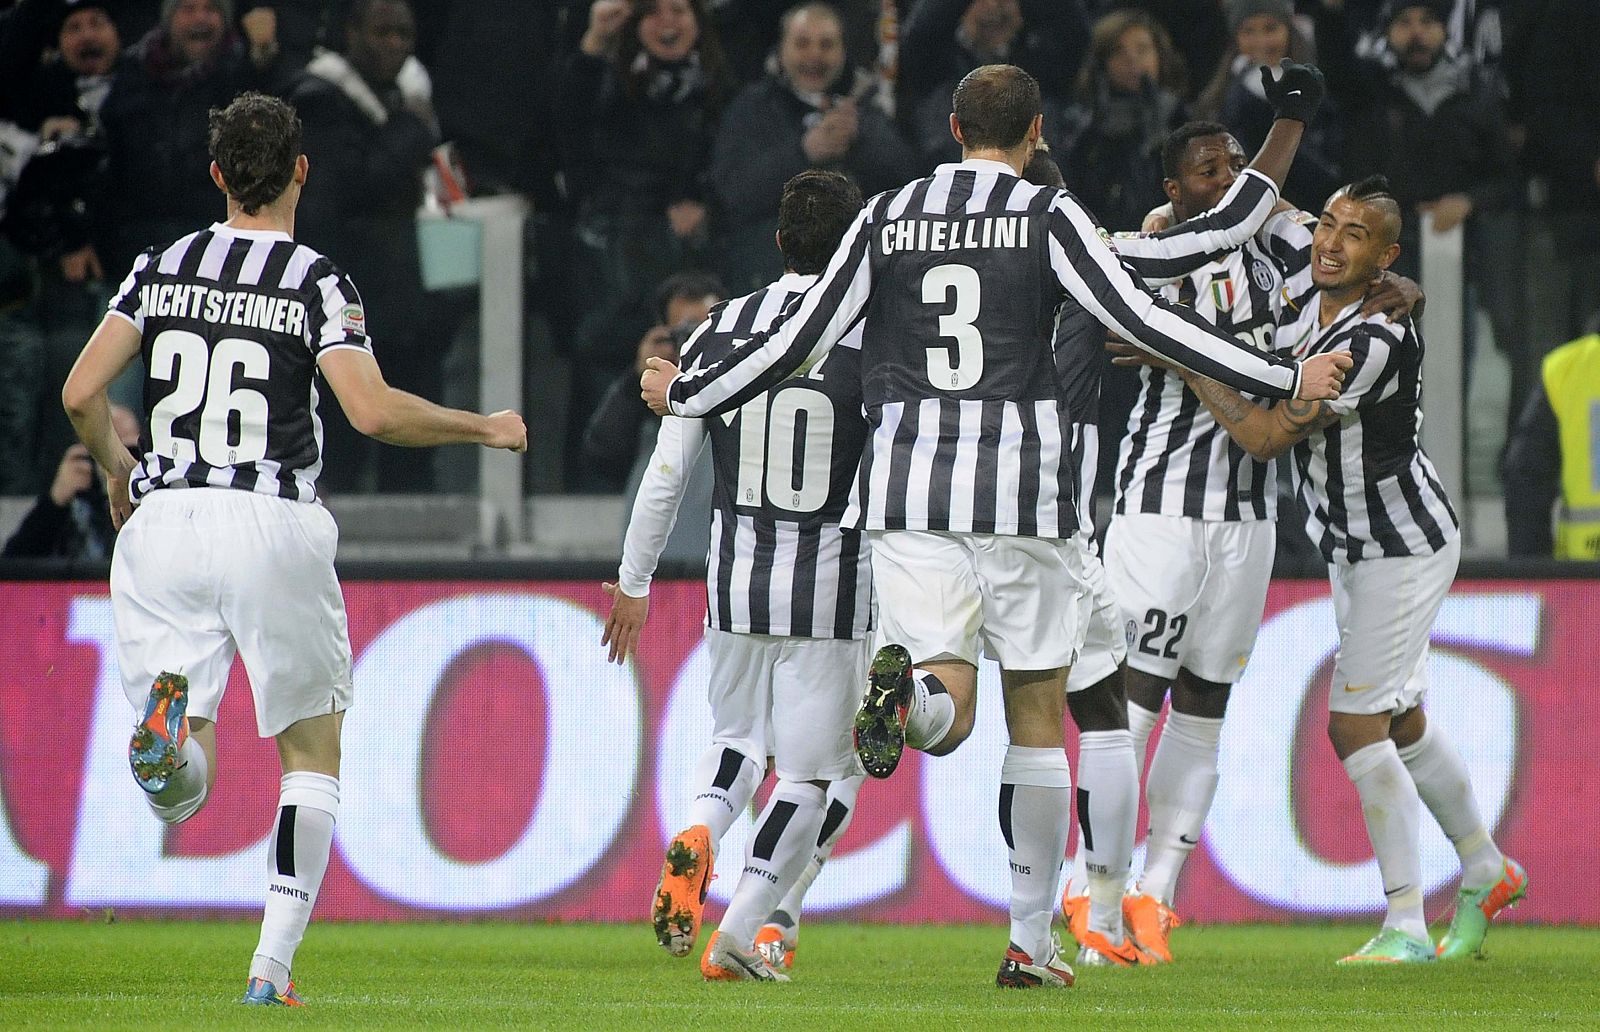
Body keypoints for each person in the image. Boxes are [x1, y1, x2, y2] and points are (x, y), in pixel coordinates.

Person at [642, 62, 1352, 987]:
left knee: (949, 690)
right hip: (1020, 498)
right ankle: (1029, 943)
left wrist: (689, 390)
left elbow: (800, 335)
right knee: (1035, 716)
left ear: (949, 125)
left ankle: (915, 701)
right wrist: (1281, 377)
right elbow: (1144, 310)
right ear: (1038, 130)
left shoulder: (888, 214)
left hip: (903, 499)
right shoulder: (1047, 217)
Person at [59, 92, 525, 1005]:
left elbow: (81, 390)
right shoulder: (316, 280)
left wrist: (120, 467)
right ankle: (269, 971)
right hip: (268, 519)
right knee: (311, 755)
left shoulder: (159, 267)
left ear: (217, 175)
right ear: (301, 172)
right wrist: (485, 427)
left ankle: (164, 741)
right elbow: (373, 411)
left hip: (160, 524)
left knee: (182, 782)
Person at [1118, 174, 1524, 964]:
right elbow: (1260, 199)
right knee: (1399, 719)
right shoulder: (1316, 301)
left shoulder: (1369, 341)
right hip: (1353, 546)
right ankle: (1485, 868)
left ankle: (1406, 920)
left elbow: (1267, 437)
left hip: (1398, 547)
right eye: (1329, 226)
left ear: (1387, 257)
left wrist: (1177, 352)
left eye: (1355, 235)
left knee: (1354, 725)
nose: (1331, 243)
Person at [1063, 121, 1419, 966]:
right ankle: (1092, 897)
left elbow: (1366, 267)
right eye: (1206, 172)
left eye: (1233, 166)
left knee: (1205, 703)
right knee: (1132, 698)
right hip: (1161, 505)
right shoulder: (1150, 254)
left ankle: (1156, 897)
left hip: (1252, 515)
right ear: (1173, 191)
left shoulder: (1283, 252)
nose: (1227, 181)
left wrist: (1400, 286)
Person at [603, 170, 872, 981]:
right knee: (814, 774)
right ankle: (739, 932)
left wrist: (633, 580)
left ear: (781, 241)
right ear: (855, 244)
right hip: (830, 582)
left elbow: (668, 472)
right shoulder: (870, 330)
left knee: (735, 743)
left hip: (736, 576)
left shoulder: (719, 327)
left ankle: (698, 832)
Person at [289, 0, 454, 492]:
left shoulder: (404, 96)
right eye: (381, 33)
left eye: (403, 34)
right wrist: (410, 133)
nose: (394, 45)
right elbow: (348, 189)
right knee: (338, 440)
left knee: (408, 442)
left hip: (405, 305)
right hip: (343, 301)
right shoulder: (316, 99)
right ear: (351, 33)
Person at [710, 2, 915, 294]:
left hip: (858, 276)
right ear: (782, 49)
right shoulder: (752, 108)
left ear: (843, 51)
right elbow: (734, 193)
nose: (815, 55)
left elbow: (905, 182)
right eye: (803, 44)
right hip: (768, 274)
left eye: (826, 44)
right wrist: (804, 152)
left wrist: (859, 140)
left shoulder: (863, 110)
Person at [1502, 322, 1600, 560]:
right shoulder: (1565, 371)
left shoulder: (1568, 369)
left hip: (1585, 579)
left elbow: (1526, 479)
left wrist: (1536, 577)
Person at [3, 402, 139, 559]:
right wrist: (55, 503)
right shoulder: (76, 499)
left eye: (129, 451)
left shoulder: (152, 497)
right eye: (108, 450)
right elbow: (14, 567)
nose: (118, 461)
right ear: (88, 451)